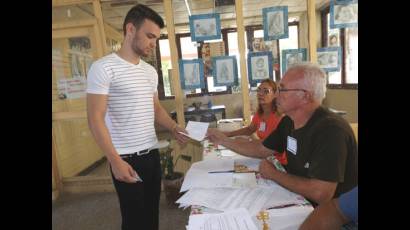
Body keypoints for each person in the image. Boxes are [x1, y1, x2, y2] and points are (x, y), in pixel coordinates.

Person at [86, 4, 189, 230]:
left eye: (156, 38)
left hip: (151, 154)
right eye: (150, 36)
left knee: (151, 216)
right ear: (130, 29)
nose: (153, 43)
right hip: (125, 158)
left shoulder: (150, 71)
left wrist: (173, 127)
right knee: (134, 221)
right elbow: (95, 118)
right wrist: (115, 161)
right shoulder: (103, 68)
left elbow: (156, 109)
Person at [207, 62, 358, 207]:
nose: (276, 96)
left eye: (282, 90)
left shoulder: (331, 130)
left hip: (337, 216)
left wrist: (274, 174)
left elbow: (321, 193)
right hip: (300, 199)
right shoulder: (288, 122)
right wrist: (224, 140)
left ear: (305, 96)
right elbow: (260, 148)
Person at [223, 79, 287, 165]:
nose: (260, 94)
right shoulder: (259, 114)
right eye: (259, 90)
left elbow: (270, 144)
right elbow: (250, 129)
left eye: (266, 91)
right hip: (263, 158)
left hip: (278, 162)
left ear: (275, 94)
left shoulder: (280, 117)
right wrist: (228, 134)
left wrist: (246, 142)